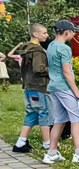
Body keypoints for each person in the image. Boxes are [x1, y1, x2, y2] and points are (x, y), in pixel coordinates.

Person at [44, 20, 79, 164]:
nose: (74, 35)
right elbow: (67, 72)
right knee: (76, 118)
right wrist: (77, 93)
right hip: (64, 86)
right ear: (67, 32)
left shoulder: (51, 46)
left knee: (60, 119)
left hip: (53, 86)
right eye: (73, 32)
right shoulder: (64, 48)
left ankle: (52, 153)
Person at [9, 24, 52, 154]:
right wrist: (54, 71)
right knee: (44, 113)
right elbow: (39, 69)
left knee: (32, 114)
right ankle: (47, 144)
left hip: (29, 87)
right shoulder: (37, 51)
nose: (47, 35)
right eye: (44, 33)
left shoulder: (26, 49)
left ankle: (21, 142)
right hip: (39, 87)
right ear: (35, 34)